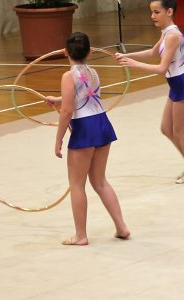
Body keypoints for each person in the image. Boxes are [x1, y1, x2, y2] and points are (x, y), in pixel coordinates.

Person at [45, 32, 130, 246]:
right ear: (90, 52)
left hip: (84, 127)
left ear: (65, 52)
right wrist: (57, 98)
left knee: (77, 184)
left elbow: (67, 111)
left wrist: (58, 140)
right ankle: (121, 226)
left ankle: (80, 235)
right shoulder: (93, 71)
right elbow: (82, 94)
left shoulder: (68, 75)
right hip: (101, 123)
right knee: (100, 181)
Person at [115, 0, 184, 184]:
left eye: (157, 12)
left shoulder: (172, 36)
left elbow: (162, 68)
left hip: (183, 84)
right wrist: (126, 56)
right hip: (176, 84)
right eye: (151, 12)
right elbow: (152, 52)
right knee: (166, 129)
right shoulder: (166, 32)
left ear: (169, 12)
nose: (152, 16)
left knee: (179, 131)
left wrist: (133, 64)